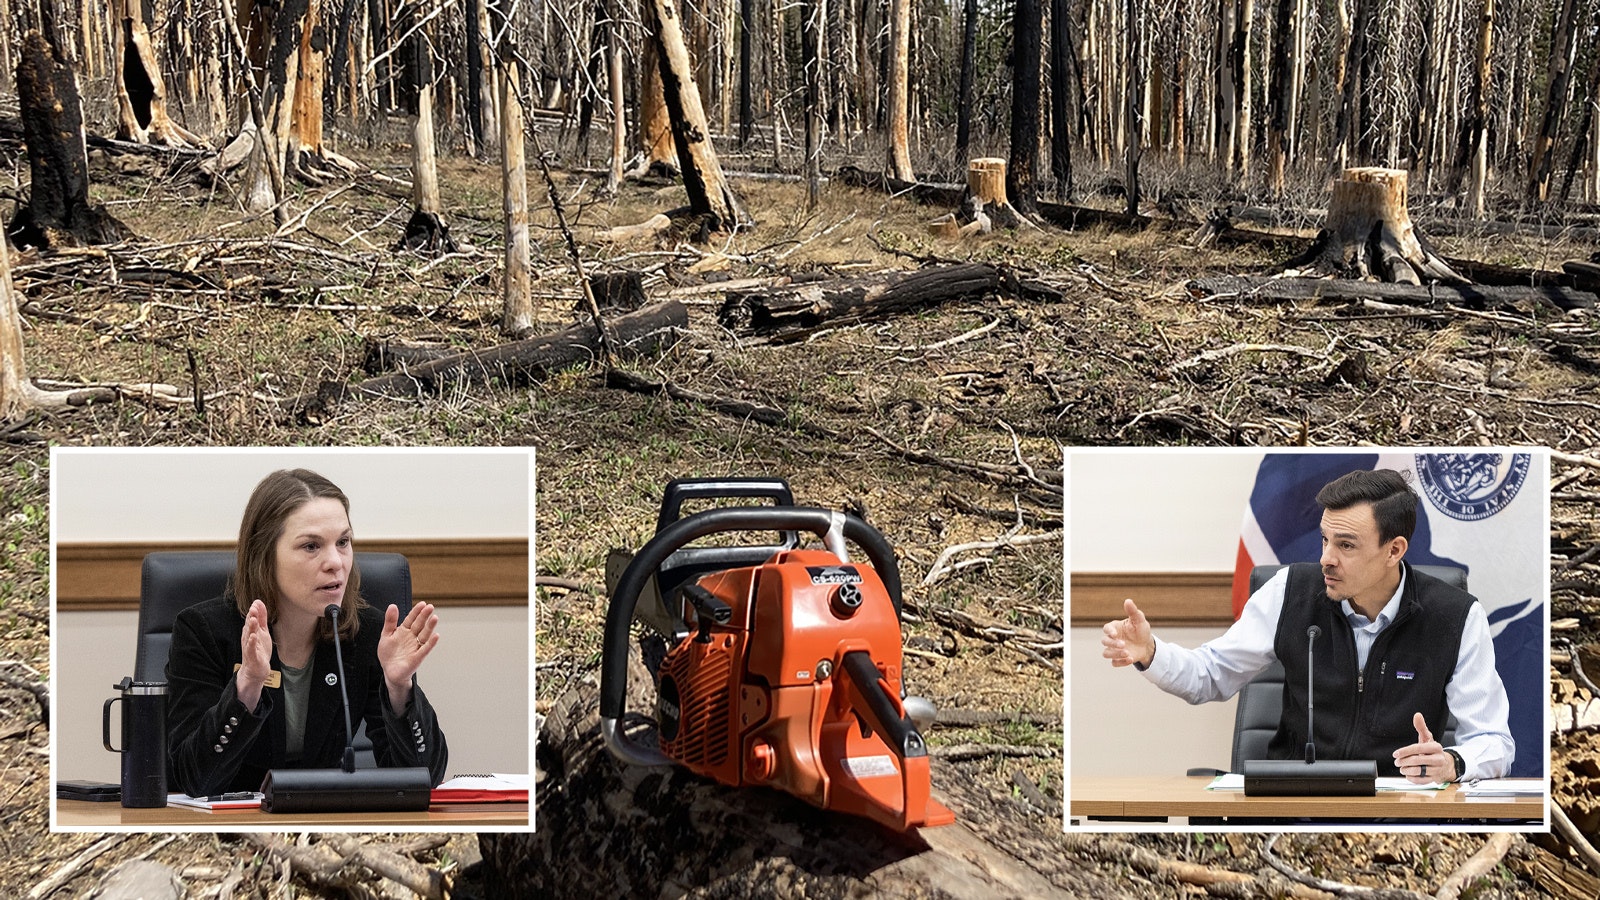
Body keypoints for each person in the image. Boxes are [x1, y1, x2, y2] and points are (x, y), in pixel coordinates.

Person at [1101, 468, 1513, 783]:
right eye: (1324, 540)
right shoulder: (1290, 591)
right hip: (1292, 805)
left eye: (1346, 545)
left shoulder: (1456, 616)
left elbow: (1493, 741)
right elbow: (1209, 675)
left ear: (1394, 551)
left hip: (1398, 810)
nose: (1326, 559)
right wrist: (1150, 653)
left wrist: (1454, 762)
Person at [166, 469, 449, 796]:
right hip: (231, 821)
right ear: (265, 556)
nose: (335, 562)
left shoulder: (367, 634)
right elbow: (194, 780)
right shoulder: (204, 632)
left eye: (343, 542)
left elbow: (423, 779)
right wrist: (248, 686)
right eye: (311, 546)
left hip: (325, 817)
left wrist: (399, 689)